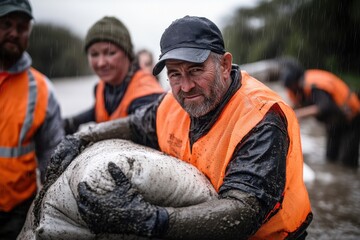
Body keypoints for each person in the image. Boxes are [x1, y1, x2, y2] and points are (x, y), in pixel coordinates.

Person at [50, 16, 313, 239]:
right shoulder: (169, 103)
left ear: (224, 64)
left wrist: (153, 220)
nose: (185, 86)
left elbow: (244, 212)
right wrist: (82, 139)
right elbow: (133, 125)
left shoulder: (261, 118)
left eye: (196, 70)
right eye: (175, 74)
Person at [0, 0, 65, 239]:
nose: (15, 33)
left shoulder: (42, 89)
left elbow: (52, 157)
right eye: (6, 24)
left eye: (22, 27)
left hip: (17, 212)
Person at [62, 16, 164, 135]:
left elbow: (142, 125)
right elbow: (96, 112)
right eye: (94, 54)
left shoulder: (147, 91)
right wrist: (71, 122)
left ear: (128, 54)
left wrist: (87, 136)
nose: (101, 63)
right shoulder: (100, 88)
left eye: (110, 53)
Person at [279, 57, 360, 167]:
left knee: (347, 161)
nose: (291, 90)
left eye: (292, 86)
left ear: (297, 81)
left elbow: (324, 107)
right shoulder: (297, 89)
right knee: (330, 158)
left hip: (352, 119)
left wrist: (298, 114)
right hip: (334, 123)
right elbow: (295, 105)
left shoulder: (314, 85)